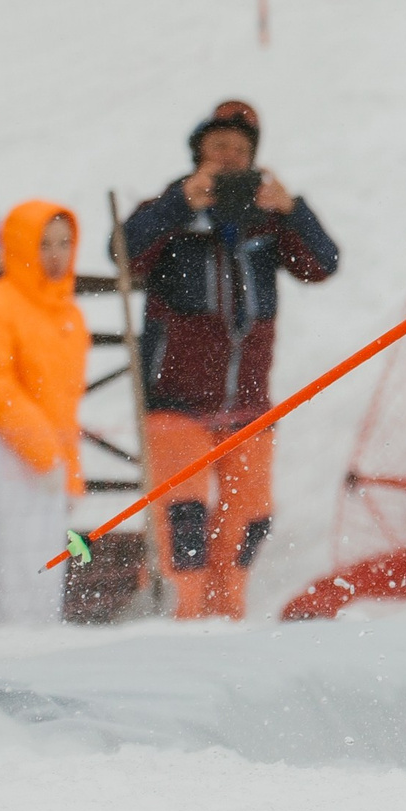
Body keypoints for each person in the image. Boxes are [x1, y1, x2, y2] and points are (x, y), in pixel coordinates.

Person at [124, 101, 339, 619]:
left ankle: (227, 624)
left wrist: (293, 210)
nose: (229, 157)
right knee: (184, 523)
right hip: (176, 404)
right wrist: (179, 204)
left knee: (249, 522)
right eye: (219, 146)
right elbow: (125, 254)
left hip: (248, 406)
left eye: (241, 151)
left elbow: (323, 264)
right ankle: (181, 625)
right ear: (198, 150)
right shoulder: (168, 211)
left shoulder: (266, 219)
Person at [0, 200, 86, 629]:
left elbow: (64, 401)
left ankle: (42, 655)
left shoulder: (68, 314)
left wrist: (65, 467)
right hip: (6, 452)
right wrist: (41, 450)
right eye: (44, 243)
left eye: (64, 243)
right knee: (17, 570)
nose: (55, 253)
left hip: (48, 456)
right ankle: (14, 658)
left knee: (47, 572)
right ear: (19, 246)